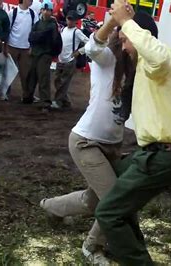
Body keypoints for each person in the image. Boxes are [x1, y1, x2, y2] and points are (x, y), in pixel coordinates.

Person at [94, 1, 171, 265]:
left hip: (164, 156)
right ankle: (131, 250)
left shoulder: (160, 61)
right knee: (111, 175)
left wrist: (127, 21)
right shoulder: (145, 68)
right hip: (154, 153)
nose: (124, 47)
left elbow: (156, 55)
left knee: (108, 213)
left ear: (141, 37)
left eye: (126, 40)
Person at [39, 20, 135, 264]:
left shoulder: (137, 69)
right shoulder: (107, 59)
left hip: (113, 145)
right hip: (86, 141)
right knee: (114, 198)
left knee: (93, 200)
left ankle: (51, 206)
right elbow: (92, 48)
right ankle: (92, 247)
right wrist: (114, 20)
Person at [51, 11, 89, 109]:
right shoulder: (63, 29)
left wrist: (79, 52)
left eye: (72, 19)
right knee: (57, 81)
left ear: (76, 21)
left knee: (63, 82)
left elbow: (88, 43)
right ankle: (66, 101)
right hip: (61, 59)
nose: (69, 21)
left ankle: (58, 101)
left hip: (69, 61)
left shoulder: (77, 32)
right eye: (68, 19)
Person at [4, 0, 38, 101]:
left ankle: (26, 95)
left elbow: (34, 32)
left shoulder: (33, 14)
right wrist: (5, 46)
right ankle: (5, 92)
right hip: (12, 46)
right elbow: (7, 30)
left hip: (26, 48)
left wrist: (32, 47)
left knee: (26, 73)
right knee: (9, 71)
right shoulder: (12, 13)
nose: (31, 1)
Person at [25, 0, 57, 108]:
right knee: (31, 76)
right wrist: (37, 37)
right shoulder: (37, 23)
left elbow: (44, 37)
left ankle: (45, 102)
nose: (46, 12)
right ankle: (27, 97)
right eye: (45, 10)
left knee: (43, 78)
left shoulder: (53, 25)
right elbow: (31, 37)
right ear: (41, 10)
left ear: (52, 12)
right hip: (35, 52)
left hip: (45, 54)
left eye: (49, 10)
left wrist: (36, 36)